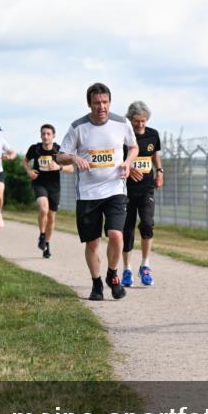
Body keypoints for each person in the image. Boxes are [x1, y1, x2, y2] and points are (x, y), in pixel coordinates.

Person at [56, 82, 137, 301]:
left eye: (105, 102)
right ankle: (96, 284)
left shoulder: (122, 123)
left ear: (110, 102)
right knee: (92, 243)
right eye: (96, 103)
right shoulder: (78, 127)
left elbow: (133, 146)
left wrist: (128, 162)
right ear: (89, 104)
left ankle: (112, 274)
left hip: (115, 189)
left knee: (116, 235)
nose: (101, 107)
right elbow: (60, 156)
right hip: (88, 194)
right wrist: (74, 157)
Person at [120, 101, 163, 287]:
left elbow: (155, 155)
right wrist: (128, 168)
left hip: (146, 188)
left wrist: (160, 171)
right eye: (137, 121)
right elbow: (116, 159)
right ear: (130, 120)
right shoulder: (122, 137)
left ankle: (145, 266)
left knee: (147, 224)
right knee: (127, 230)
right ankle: (127, 269)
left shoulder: (153, 134)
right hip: (125, 189)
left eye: (143, 121)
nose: (140, 125)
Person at [24, 124, 73, 258]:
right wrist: (29, 171)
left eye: (48, 134)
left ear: (53, 136)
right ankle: (42, 234)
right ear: (41, 135)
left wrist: (59, 167)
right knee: (43, 209)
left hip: (54, 187)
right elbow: (25, 160)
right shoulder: (35, 149)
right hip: (39, 183)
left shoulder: (58, 150)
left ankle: (47, 245)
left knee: (51, 218)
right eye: (43, 134)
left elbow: (71, 168)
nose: (45, 136)